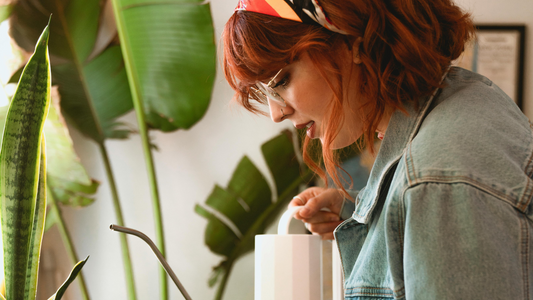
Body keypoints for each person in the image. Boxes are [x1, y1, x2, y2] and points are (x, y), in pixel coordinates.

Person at [223, 0, 533, 299]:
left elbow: (443, 196)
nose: (277, 113)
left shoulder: (438, 181)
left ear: (353, 43)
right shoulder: (461, 103)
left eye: (280, 81)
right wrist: (362, 212)